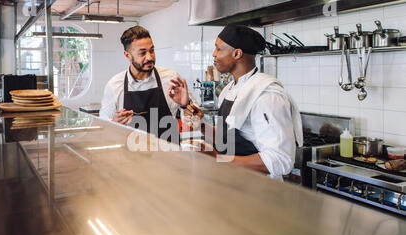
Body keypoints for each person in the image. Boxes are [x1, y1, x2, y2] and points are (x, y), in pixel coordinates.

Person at [184, 25, 303, 180]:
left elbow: (282, 160)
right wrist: (200, 124)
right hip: (233, 183)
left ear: (237, 53)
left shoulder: (266, 95)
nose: (214, 54)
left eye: (218, 49)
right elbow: (225, 139)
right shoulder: (228, 90)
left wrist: (218, 159)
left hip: (261, 191)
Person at [99, 26, 193, 142]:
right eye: (142, 53)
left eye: (152, 50)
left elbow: (195, 122)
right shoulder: (114, 86)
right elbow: (104, 129)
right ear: (127, 55)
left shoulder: (171, 79)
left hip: (169, 155)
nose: (150, 57)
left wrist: (186, 105)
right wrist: (114, 124)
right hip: (133, 157)